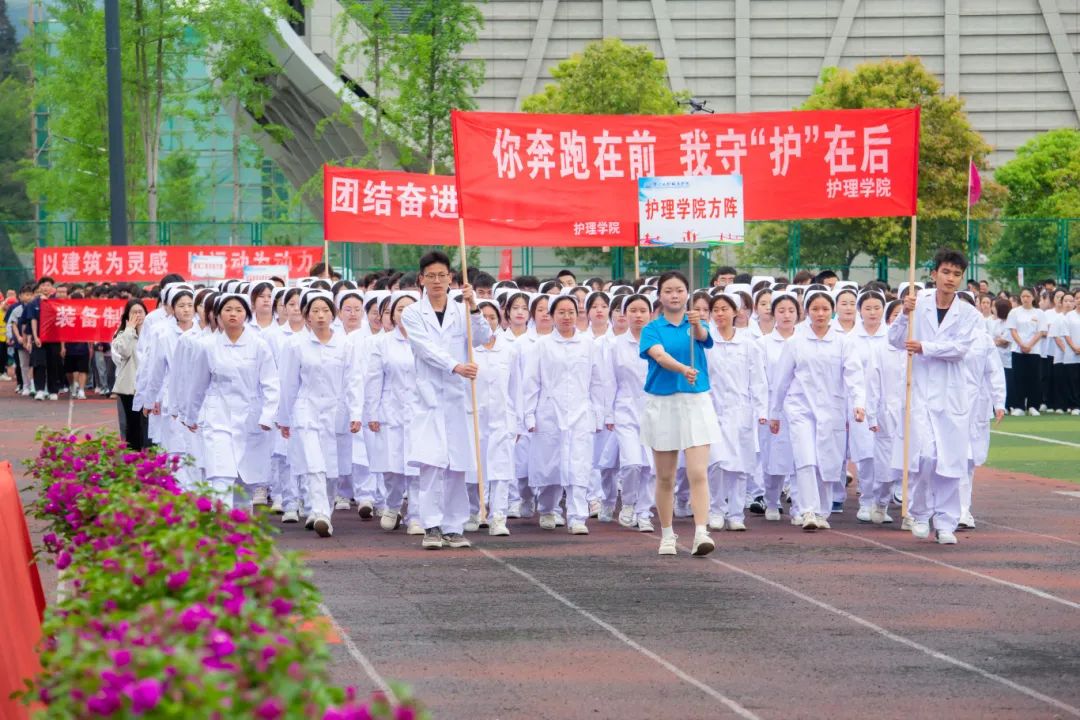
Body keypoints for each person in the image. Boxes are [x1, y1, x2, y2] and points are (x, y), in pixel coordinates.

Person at [399, 251, 492, 550]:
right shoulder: (413, 313)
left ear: (451, 278)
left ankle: (453, 526)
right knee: (431, 465)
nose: (437, 281)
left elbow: (481, 337)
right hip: (427, 399)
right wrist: (455, 365)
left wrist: (474, 306)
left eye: (442, 275)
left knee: (457, 466)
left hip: (456, 398)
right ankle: (431, 526)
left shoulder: (461, 309)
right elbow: (424, 348)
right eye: (431, 276)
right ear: (421, 280)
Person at [888, 248, 982, 545]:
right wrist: (904, 314)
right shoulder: (918, 304)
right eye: (946, 272)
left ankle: (945, 523)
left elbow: (960, 349)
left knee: (950, 463)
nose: (950, 279)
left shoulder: (969, 314)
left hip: (951, 396)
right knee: (925, 457)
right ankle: (919, 512)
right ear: (934, 274)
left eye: (956, 274)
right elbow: (894, 340)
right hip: (919, 394)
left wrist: (926, 347)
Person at [639, 271, 721, 557]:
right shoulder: (652, 328)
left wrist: (697, 324)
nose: (674, 295)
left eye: (679, 290)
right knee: (665, 476)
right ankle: (667, 533)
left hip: (696, 401)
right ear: (660, 295)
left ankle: (701, 532)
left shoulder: (696, 322)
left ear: (687, 293)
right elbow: (659, 356)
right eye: (668, 291)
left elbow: (703, 338)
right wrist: (683, 369)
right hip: (663, 402)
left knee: (698, 472)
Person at [769, 289, 866, 531]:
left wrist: (858, 403)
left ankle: (822, 511)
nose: (820, 314)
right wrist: (774, 413)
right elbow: (781, 380)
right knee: (806, 459)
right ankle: (808, 509)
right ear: (807, 312)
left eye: (825, 309)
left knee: (827, 461)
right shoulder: (795, 343)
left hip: (831, 409)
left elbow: (854, 374)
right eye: (815, 309)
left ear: (831, 311)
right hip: (800, 408)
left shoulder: (843, 342)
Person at [276, 290, 364, 538]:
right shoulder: (295, 345)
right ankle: (321, 513)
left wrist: (356, 412)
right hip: (306, 409)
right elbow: (289, 383)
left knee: (332, 468)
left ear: (334, 314)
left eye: (325, 311)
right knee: (314, 464)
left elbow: (354, 380)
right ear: (306, 316)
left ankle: (321, 509)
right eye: (315, 311)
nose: (321, 316)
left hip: (337, 410)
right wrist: (284, 418)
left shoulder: (346, 345)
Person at [185, 294, 280, 510]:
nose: (233, 314)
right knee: (221, 473)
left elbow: (271, 384)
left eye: (238, 309)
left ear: (246, 314)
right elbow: (197, 385)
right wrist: (191, 415)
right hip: (218, 414)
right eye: (227, 310)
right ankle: (222, 523)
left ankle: (242, 522)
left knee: (245, 478)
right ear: (218, 315)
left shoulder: (259, 345)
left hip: (251, 417)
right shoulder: (208, 346)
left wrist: (268, 415)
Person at [522, 294, 606, 535]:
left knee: (579, 464)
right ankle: (548, 509)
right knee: (551, 464)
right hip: (549, 411)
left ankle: (577, 516)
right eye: (561, 312)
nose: (567, 317)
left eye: (571, 312)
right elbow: (531, 382)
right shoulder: (542, 345)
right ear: (552, 315)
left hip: (581, 411)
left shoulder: (588, 345)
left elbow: (598, 381)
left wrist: (599, 413)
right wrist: (529, 415)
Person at [704, 292, 767, 531]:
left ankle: (736, 513)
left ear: (735, 312)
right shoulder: (706, 342)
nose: (720, 314)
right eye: (715, 309)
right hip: (714, 410)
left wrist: (761, 410)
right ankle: (716, 509)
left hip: (742, 411)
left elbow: (758, 380)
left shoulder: (748, 344)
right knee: (717, 463)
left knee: (741, 466)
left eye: (724, 309)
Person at [365, 292, 422, 534]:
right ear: (392, 314)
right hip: (390, 409)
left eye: (410, 309)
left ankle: (417, 515)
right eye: (399, 310)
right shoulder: (383, 342)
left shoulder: (428, 340)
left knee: (419, 466)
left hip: (421, 410)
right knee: (392, 466)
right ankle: (392, 505)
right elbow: (373, 379)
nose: (405, 314)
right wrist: (372, 412)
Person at [111, 299, 149, 450]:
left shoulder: (153, 333)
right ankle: (133, 454)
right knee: (133, 423)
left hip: (148, 385)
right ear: (127, 315)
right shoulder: (121, 334)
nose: (138, 315)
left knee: (147, 423)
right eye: (134, 312)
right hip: (130, 387)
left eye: (141, 312)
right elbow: (124, 351)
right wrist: (130, 330)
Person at [1004, 287, 1045, 415]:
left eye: (1028, 296)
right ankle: (1019, 406)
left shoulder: (1039, 313)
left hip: (1034, 350)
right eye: (1023, 296)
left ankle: (1033, 406)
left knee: (1034, 378)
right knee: (1018, 377)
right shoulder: (1014, 312)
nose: (1025, 299)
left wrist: (1029, 345)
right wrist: (1022, 344)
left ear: (1033, 297)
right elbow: (1013, 330)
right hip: (1017, 349)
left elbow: (1041, 331)